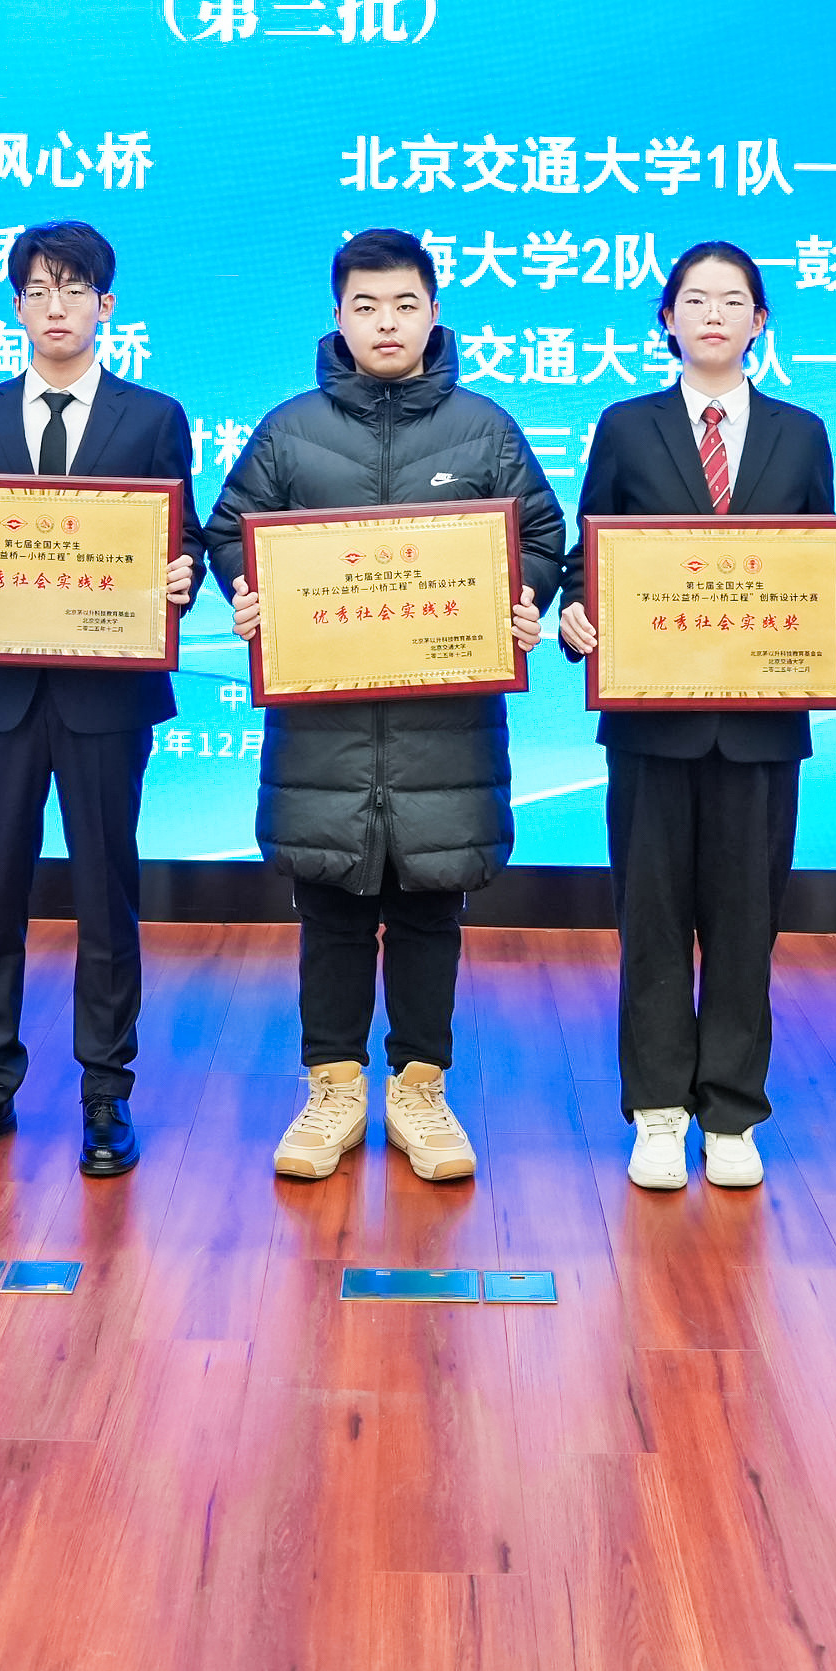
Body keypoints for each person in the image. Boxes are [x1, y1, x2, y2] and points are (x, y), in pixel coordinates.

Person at [204, 230, 562, 1185]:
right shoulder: (289, 430)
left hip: (444, 726)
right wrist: (248, 587)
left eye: (405, 304)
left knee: (429, 909)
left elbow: (540, 535)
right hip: (324, 727)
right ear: (339, 318)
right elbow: (231, 528)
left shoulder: (485, 430)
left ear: (434, 312)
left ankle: (419, 1089)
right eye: (366, 307)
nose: (387, 323)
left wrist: (518, 597)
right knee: (327, 906)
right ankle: (332, 1090)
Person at [558, 241, 836, 1194]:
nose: (712, 315)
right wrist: (577, 614)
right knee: (652, 918)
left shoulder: (801, 432)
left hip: (762, 723)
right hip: (651, 722)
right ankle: (659, 1110)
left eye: (732, 300)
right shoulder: (626, 426)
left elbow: (821, 562)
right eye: (694, 300)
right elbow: (588, 555)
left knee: (747, 921)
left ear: (759, 322)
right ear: (666, 319)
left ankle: (733, 1111)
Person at [0, 222, 202, 1181]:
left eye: (74, 289)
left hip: (106, 697)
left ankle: (105, 1092)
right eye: (37, 291)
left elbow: (185, 538)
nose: (56, 307)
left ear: (106, 305)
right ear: (16, 309)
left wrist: (181, 576)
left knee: (105, 891)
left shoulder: (152, 416)